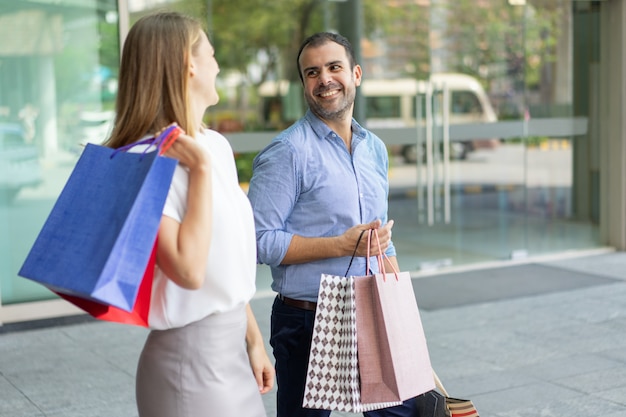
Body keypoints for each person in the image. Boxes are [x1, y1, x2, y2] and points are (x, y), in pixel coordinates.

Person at [103, 12, 274, 417]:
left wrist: (253, 340)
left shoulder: (214, 145)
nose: (217, 66)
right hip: (187, 367)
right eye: (211, 55)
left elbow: (224, 263)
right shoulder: (144, 161)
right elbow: (189, 271)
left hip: (232, 352)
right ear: (189, 64)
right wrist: (197, 172)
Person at [247, 32, 420, 417]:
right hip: (307, 319)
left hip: (373, 308)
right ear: (304, 85)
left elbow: (379, 242)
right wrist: (340, 245)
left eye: (334, 67)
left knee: (398, 413)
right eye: (312, 72)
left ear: (356, 74)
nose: (324, 78)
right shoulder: (287, 152)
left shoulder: (374, 148)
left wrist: (400, 310)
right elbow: (257, 241)